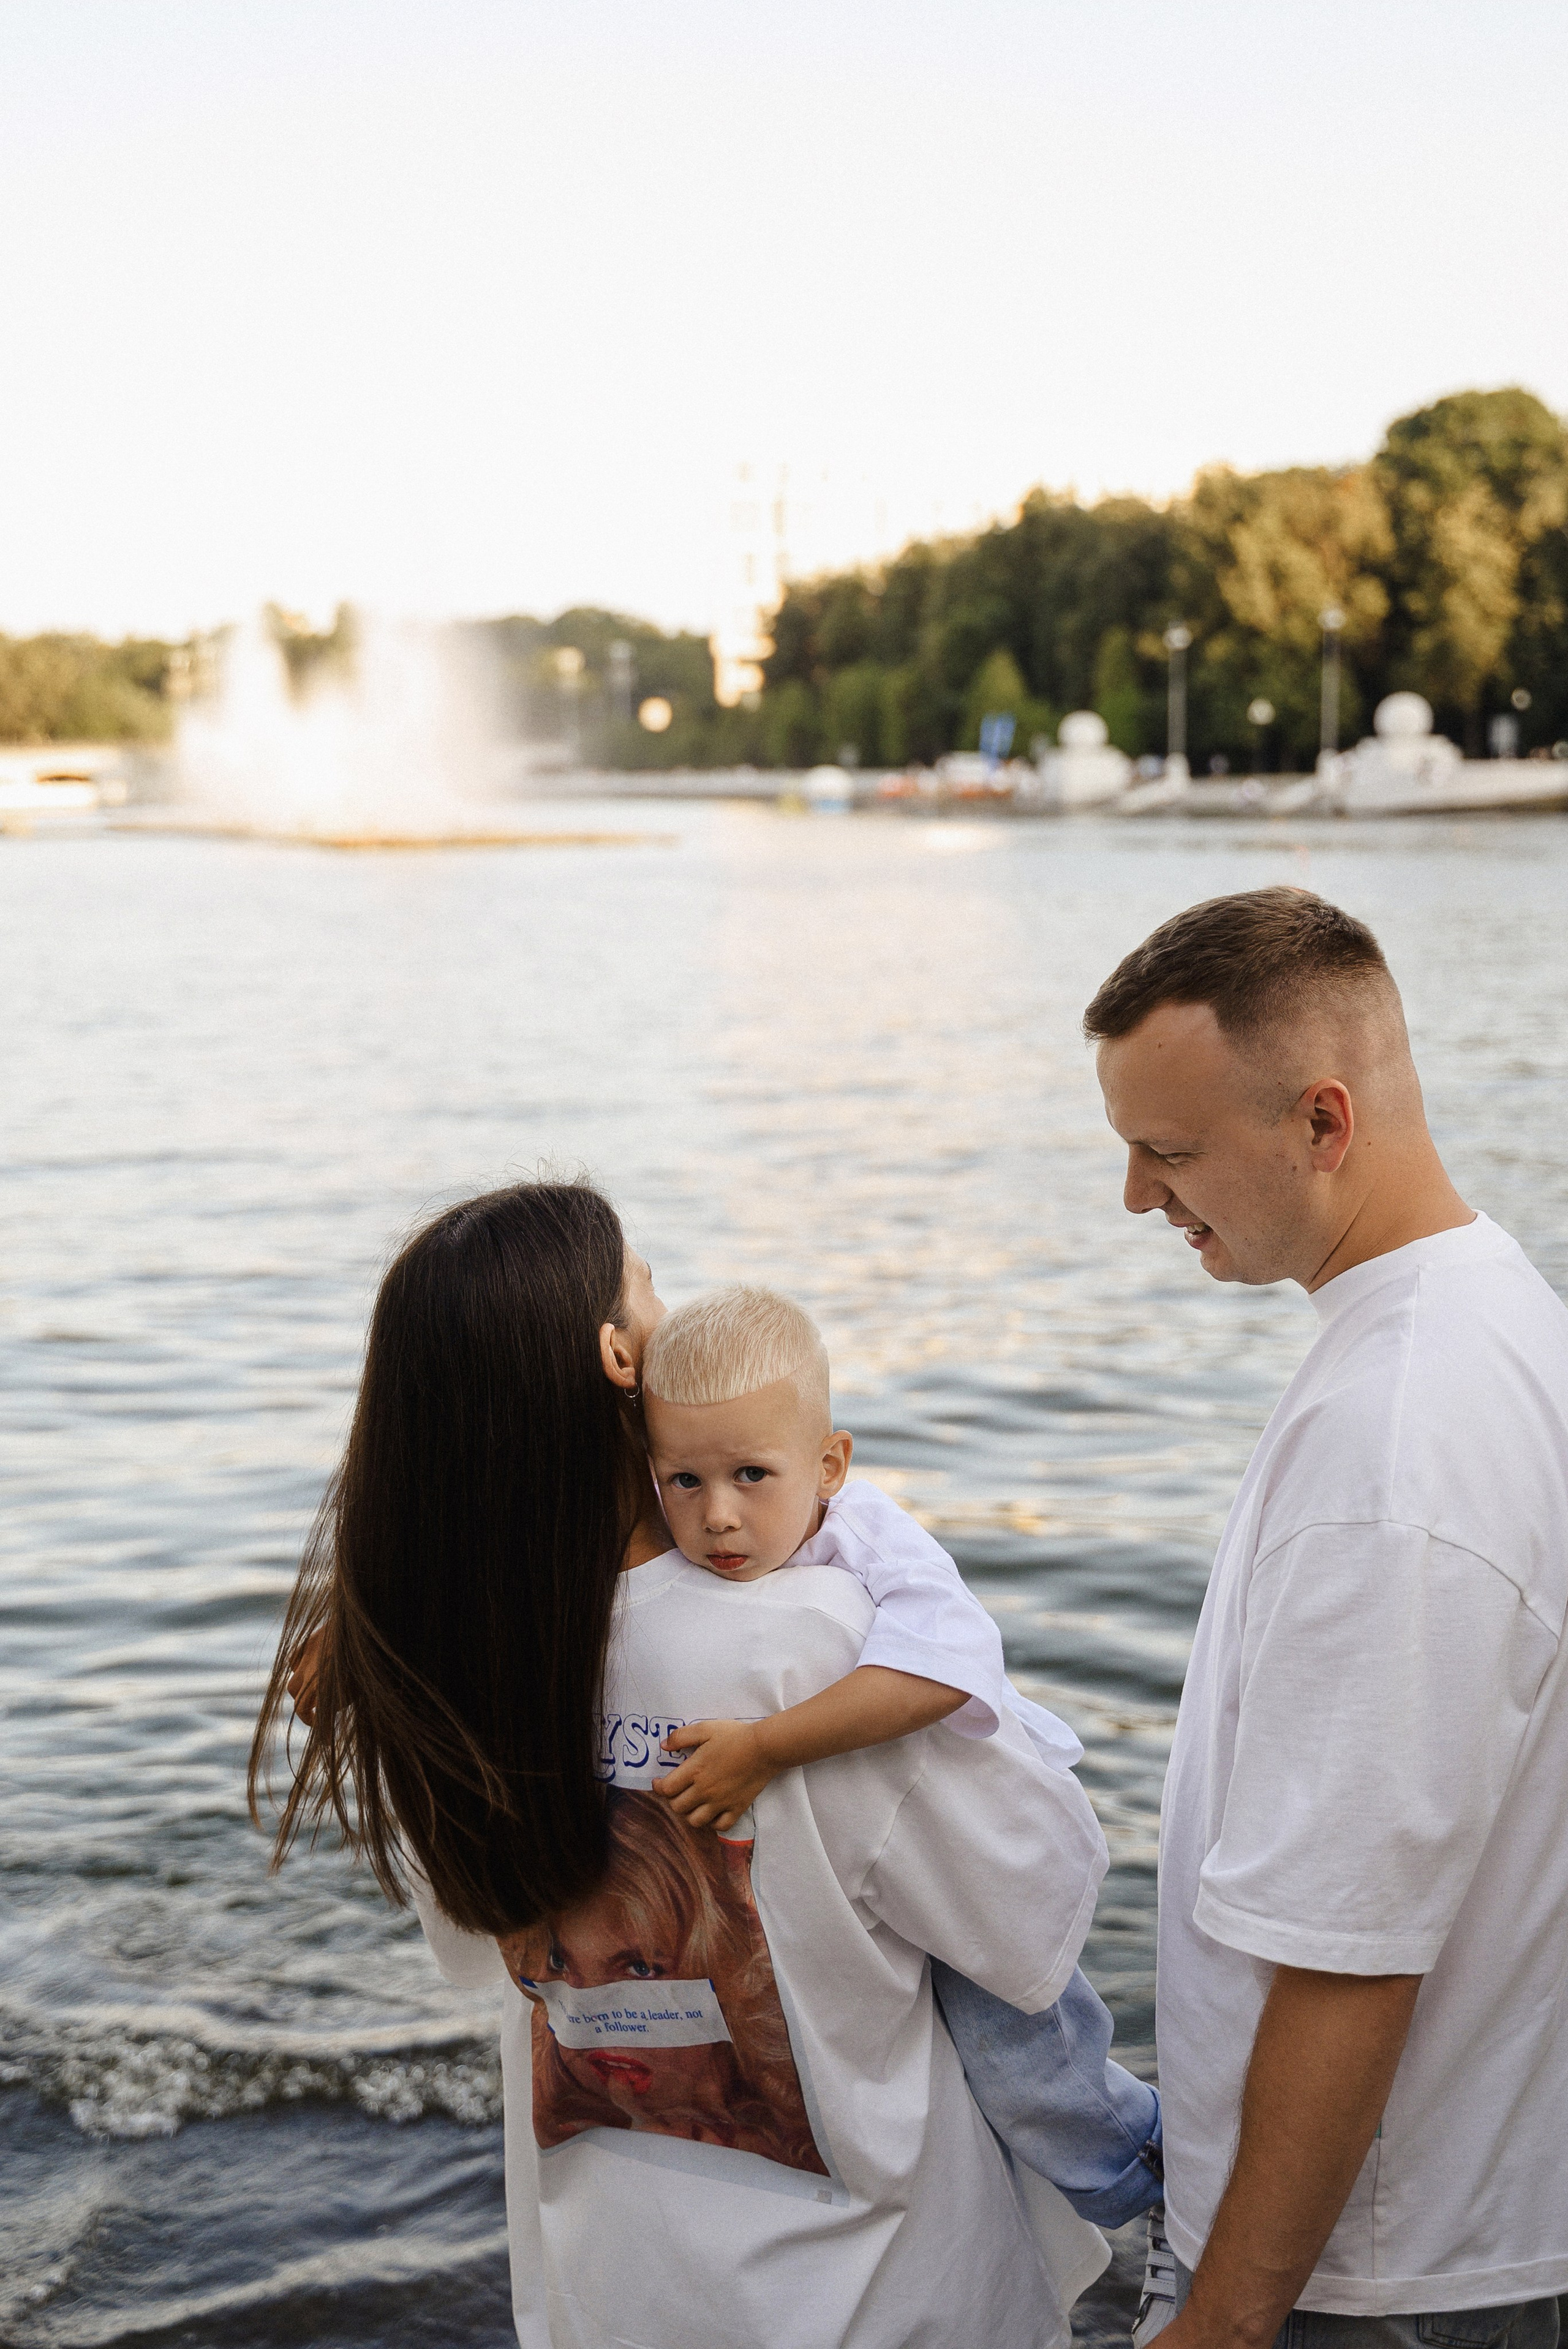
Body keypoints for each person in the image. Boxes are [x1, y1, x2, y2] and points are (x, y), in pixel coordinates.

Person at [251, 1178, 1114, 2349]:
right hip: (880, 2297)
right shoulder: (809, 1645)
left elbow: (476, 1956)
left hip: (615, 2295)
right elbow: (1029, 1907)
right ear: (618, 1352)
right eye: (646, 1282)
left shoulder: (446, 1673)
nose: (667, 1303)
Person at [1084, 888, 1568, 2349]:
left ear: (1321, 1121)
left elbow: (1349, 1946)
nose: (1134, 1199)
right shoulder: (1490, 1317)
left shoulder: (1398, 1441)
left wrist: (1220, 2322)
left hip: (1377, 2279)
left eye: (1164, 1153)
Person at [640, 1281, 1163, 2227]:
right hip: (883, 1854)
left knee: (1031, 2060)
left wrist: (765, 1747)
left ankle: (1161, 2185)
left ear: (830, 1464)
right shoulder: (706, 1541)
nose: (717, 1514)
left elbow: (944, 1672)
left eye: (752, 1476)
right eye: (685, 1481)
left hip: (976, 1833)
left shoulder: (873, 1540)